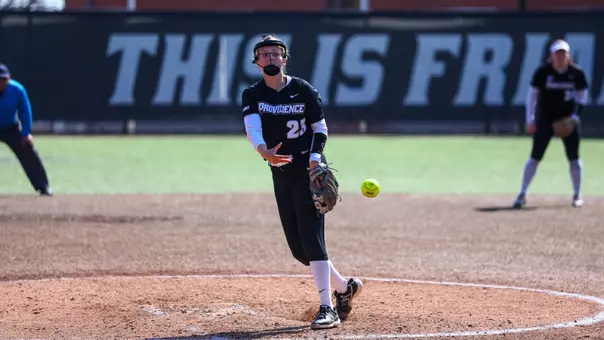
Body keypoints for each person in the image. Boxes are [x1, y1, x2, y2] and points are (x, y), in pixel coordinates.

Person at [241, 35, 362, 330]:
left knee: (312, 238)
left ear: (285, 58)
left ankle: (327, 307)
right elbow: (252, 127)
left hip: (308, 173)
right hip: (280, 173)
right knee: (300, 250)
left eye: (275, 54)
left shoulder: (303, 90)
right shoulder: (253, 94)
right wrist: (262, 149)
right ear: (256, 62)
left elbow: (319, 128)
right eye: (264, 55)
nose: (270, 58)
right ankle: (345, 288)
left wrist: (315, 156)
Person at [513, 39, 588, 208]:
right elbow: (531, 97)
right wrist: (530, 119)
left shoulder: (577, 73)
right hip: (545, 119)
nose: (560, 56)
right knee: (535, 157)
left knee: (574, 157)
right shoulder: (542, 73)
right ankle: (522, 193)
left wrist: (575, 117)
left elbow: (582, 96)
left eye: (563, 53)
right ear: (551, 56)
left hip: (568, 119)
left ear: (568, 55)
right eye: (557, 53)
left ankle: (577, 194)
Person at [0, 63, 52, 196]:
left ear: (9, 78)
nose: (1, 83)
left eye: (4, 80)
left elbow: (25, 112)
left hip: (9, 127)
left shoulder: (17, 90)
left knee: (27, 150)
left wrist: (26, 133)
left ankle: (43, 187)